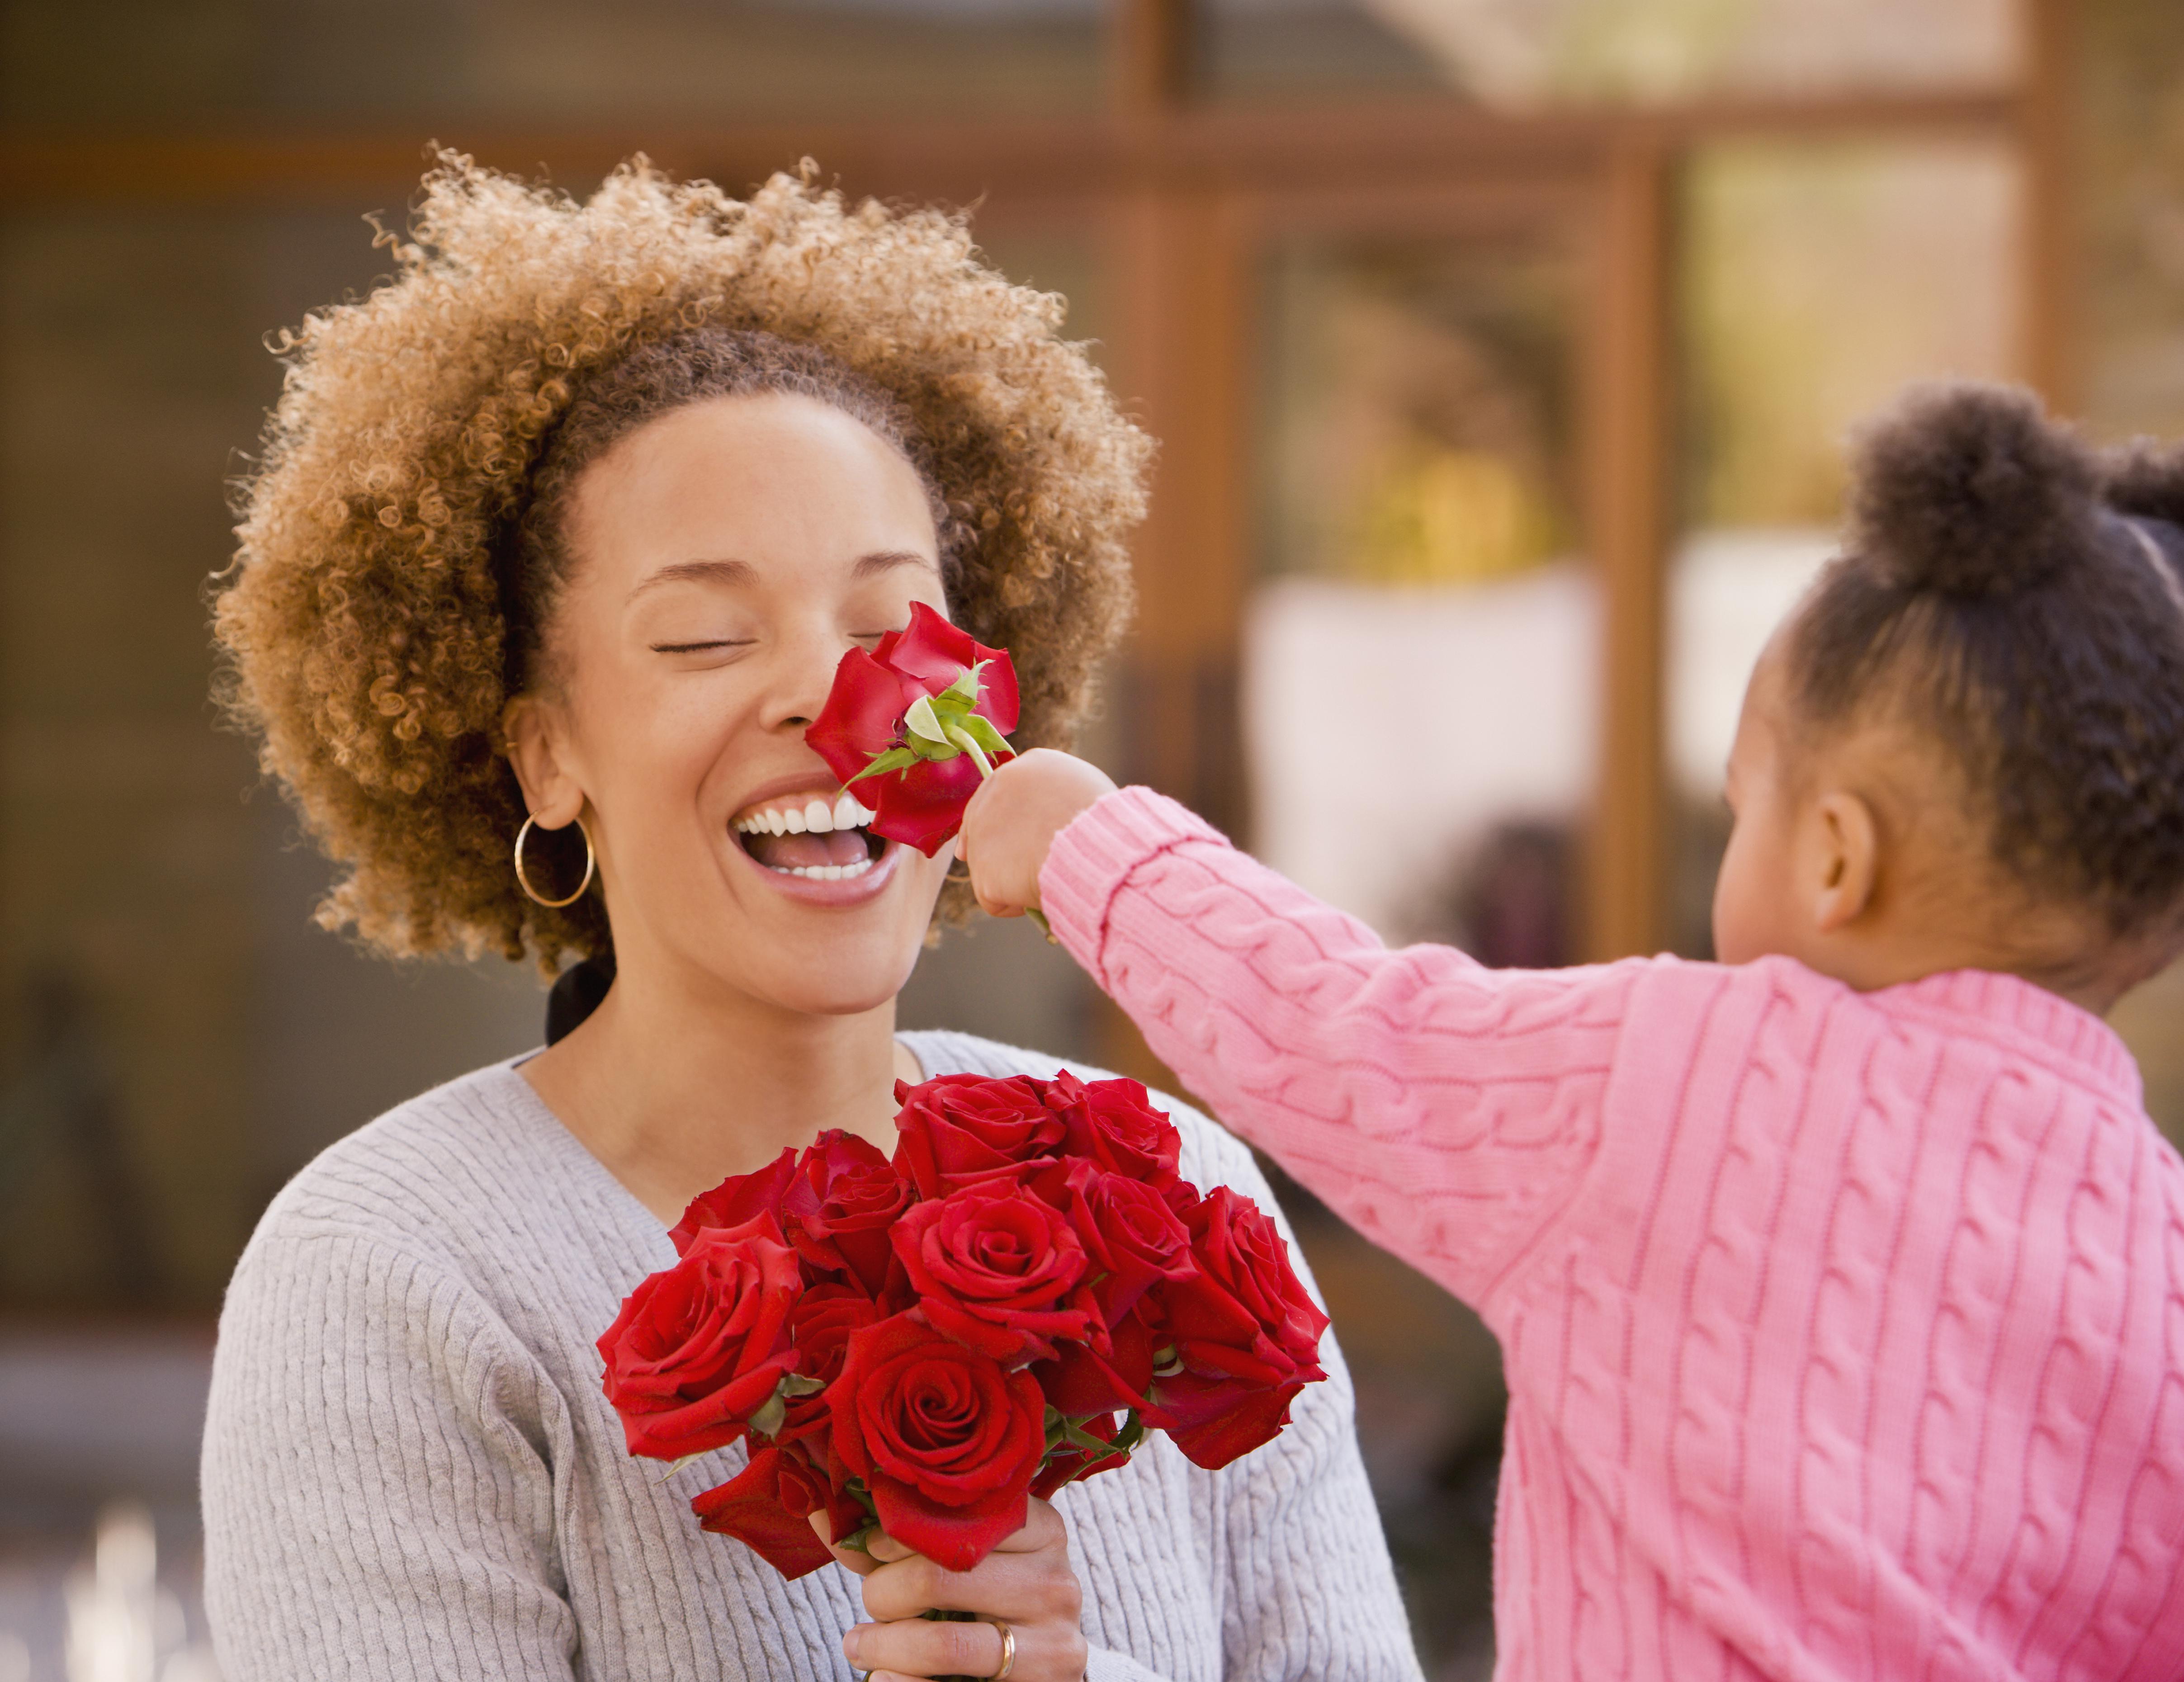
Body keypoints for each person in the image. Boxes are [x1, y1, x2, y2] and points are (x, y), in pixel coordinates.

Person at [200, 154, 1422, 1682]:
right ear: (545, 754)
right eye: (707, 632)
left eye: (886, 620)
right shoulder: (393, 1277)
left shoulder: (1168, 1194)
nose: (829, 696)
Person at [961, 382, 2184, 1680]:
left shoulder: (1679, 1077)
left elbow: (1345, 1035)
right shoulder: (2160, 1256)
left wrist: (1092, 851)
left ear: (1836, 858)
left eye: (1742, 802)